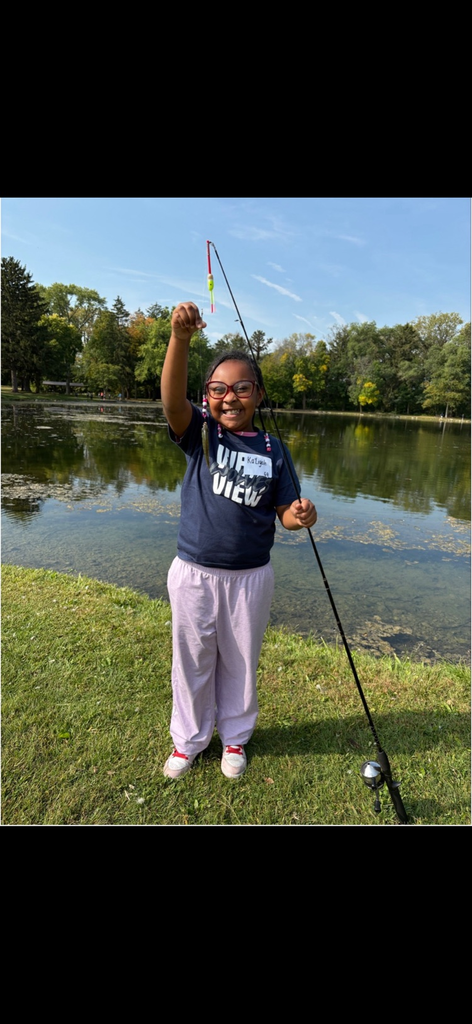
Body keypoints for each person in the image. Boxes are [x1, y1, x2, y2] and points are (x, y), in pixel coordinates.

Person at [161, 301, 317, 780]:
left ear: (258, 394)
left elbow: (283, 515)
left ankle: (234, 738)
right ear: (207, 397)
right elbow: (171, 401)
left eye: (241, 388)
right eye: (217, 389)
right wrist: (180, 339)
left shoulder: (274, 449)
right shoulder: (200, 432)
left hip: (251, 578)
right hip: (194, 573)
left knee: (241, 662)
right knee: (192, 659)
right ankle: (189, 739)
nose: (230, 397)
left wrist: (299, 514)